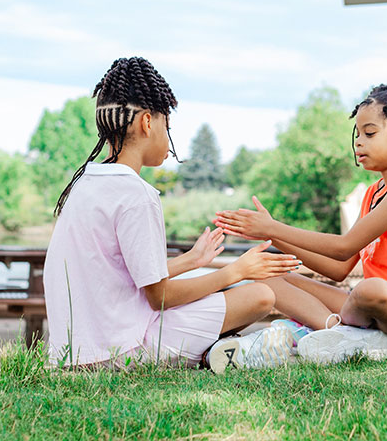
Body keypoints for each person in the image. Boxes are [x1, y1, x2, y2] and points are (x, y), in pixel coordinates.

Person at [44, 57, 301, 372]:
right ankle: (225, 353)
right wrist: (237, 270)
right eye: (168, 126)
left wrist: (192, 261)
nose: (169, 138)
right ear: (148, 123)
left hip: (75, 354)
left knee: (200, 279)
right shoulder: (136, 194)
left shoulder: (86, 184)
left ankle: (217, 353)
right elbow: (159, 297)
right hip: (121, 355)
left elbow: (123, 277)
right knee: (260, 295)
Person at [215, 78, 387, 364]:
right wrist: (271, 236)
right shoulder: (373, 193)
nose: (358, 141)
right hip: (370, 314)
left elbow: (344, 247)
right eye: (357, 133)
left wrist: (272, 227)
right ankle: (338, 334)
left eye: (369, 133)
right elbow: (339, 268)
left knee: (372, 289)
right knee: (268, 276)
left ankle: (334, 334)